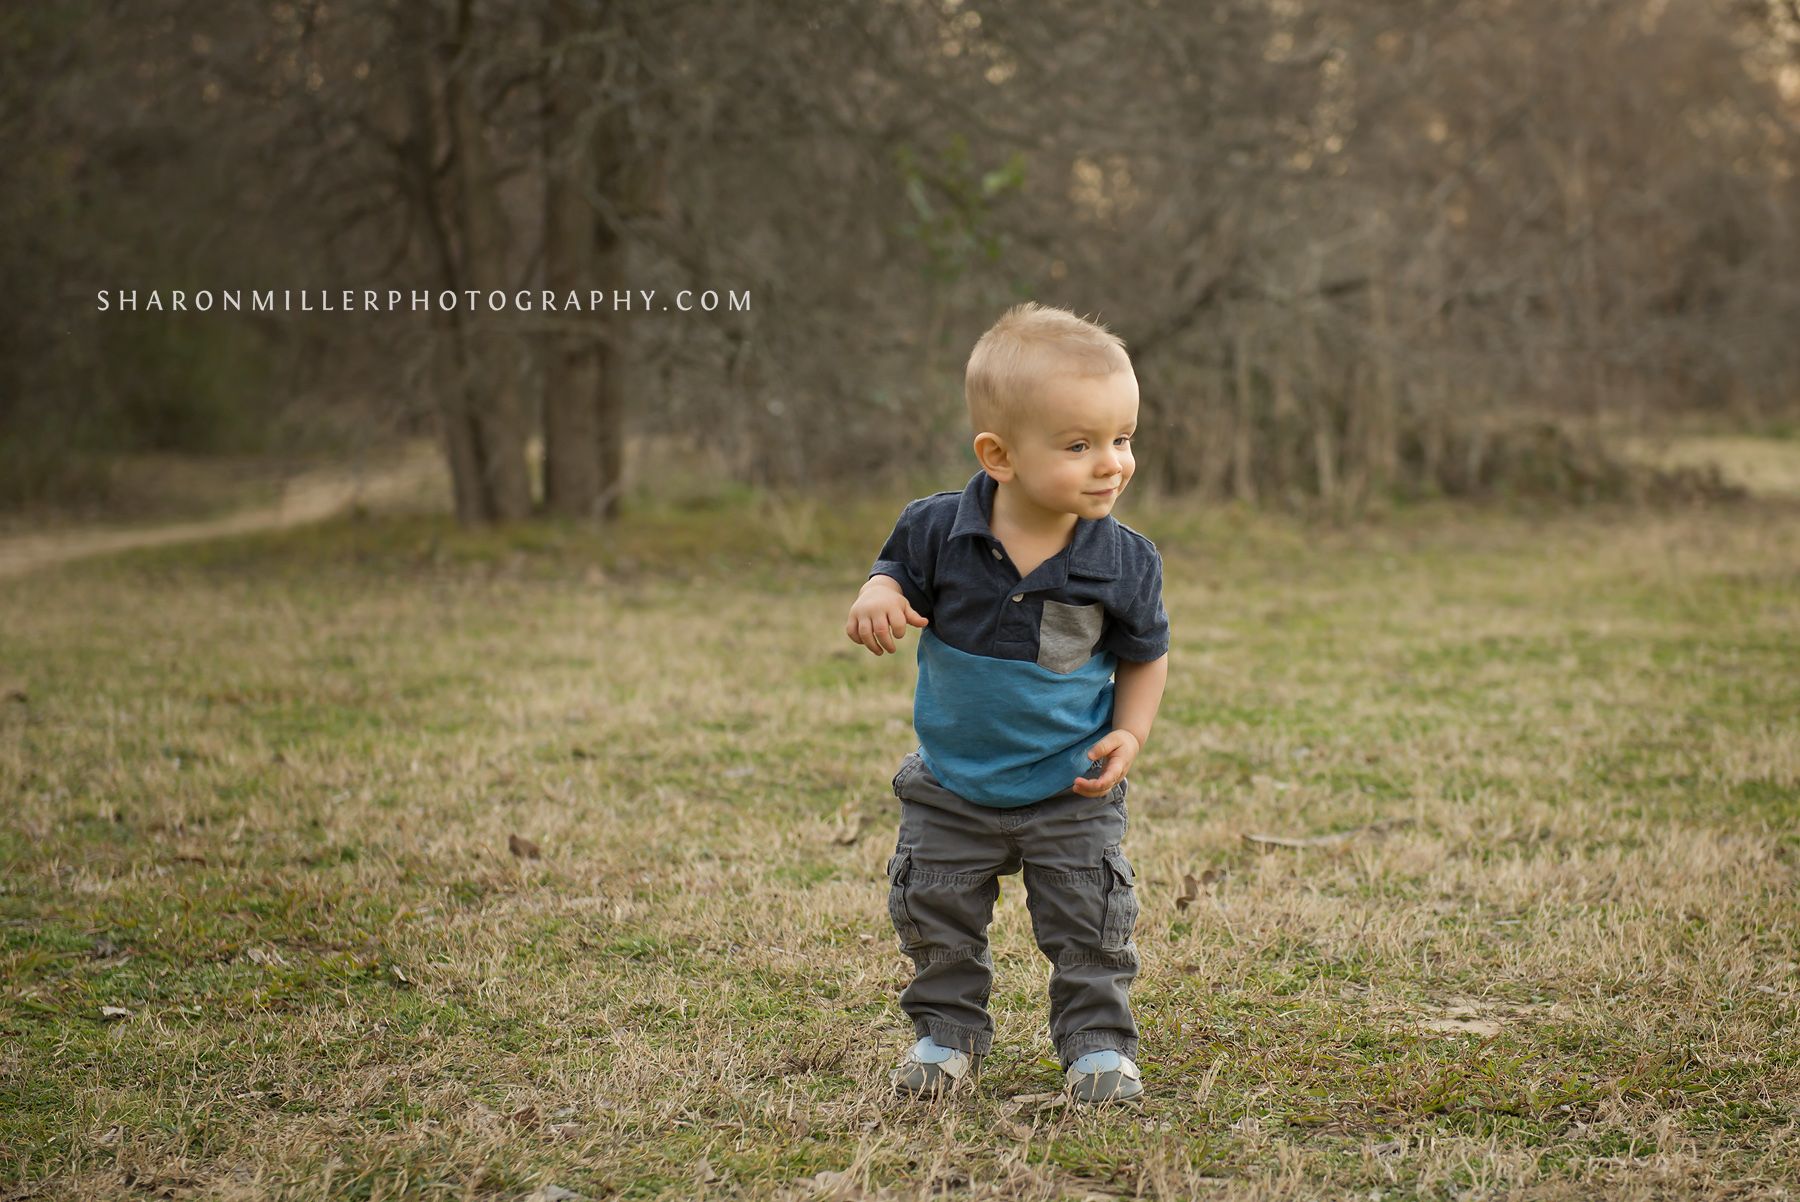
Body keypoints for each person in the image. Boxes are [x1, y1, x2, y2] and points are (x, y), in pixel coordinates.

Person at [844, 302, 1170, 1104]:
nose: (1112, 464)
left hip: (1070, 785)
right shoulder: (936, 530)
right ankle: (945, 1036)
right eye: (1079, 445)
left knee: (1091, 921)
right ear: (999, 455)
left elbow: (1145, 653)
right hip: (953, 783)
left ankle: (1097, 1045)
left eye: (1122, 438)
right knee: (936, 914)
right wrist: (877, 592)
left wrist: (1129, 733)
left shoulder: (1123, 560)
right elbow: (891, 572)